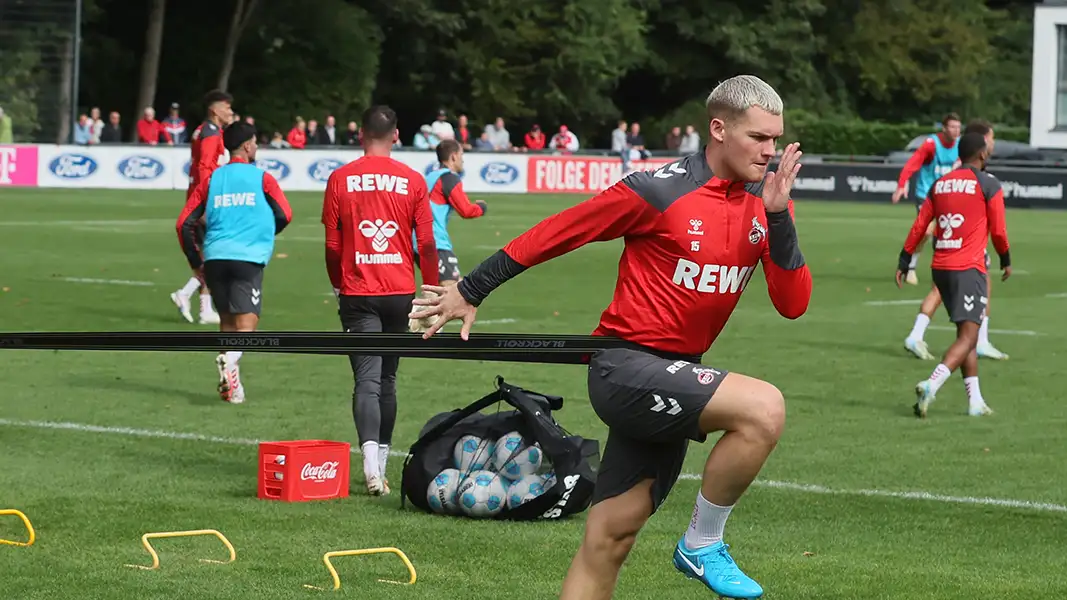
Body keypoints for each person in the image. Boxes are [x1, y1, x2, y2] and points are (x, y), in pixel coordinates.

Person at [410, 75, 812, 600]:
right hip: (625, 369)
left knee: (607, 542)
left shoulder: (767, 200)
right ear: (718, 129)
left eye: (776, 139)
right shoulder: (658, 189)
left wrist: (779, 217)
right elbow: (558, 232)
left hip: (677, 376)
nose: (770, 151)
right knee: (764, 408)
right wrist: (472, 288)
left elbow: (793, 303)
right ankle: (703, 543)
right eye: (758, 137)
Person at [321, 105, 440, 496]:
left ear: (360, 135)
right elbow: (425, 243)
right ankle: (382, 465)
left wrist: (338, 284)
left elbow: (333, 244)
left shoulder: (340, 178)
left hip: (358, 291)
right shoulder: (412, 180)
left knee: (366, 381)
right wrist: (433, 291)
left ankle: (371, 468)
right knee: (388, 378)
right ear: (396, 135)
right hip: (400, 291)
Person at [896, 131, 1011, 418]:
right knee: (969, 336)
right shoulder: (988, 184)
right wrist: (1006, 258)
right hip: (968, 268)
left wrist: (905, 259)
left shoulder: (940, 184)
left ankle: (975, 402)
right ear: (982, 154)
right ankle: (931, 384)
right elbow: (998, 230)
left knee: (965, 334)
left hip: (941, 267)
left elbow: (921, 225)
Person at [176, 121, 293, 404]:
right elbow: (285, 214)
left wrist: (195, 260)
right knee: (247, 326)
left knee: (227, 322)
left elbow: (184, 223)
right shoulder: (262, 178)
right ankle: (229, 363)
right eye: (254, 142)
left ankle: (233, 387)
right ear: (247, 145)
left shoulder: (212, 180)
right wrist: (261, 233)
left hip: (215, 257)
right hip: (247, 257)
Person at [408, 138, 488, 333]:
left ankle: (421, 321)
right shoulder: (449, 178)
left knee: (435, 287)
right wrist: (481, 208)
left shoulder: (429, 178)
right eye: (461, 156)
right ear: (453, 156)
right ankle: (412, 318)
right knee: (453, 286)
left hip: (415, 240)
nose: (462, 161)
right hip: (434, 241)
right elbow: (466, 210)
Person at [170, 90, 235, 326]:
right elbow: (205, 167)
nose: (230, 112)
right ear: (215, 110)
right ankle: (185, 293)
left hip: (198, 200)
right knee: (217, 257)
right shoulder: (210, 133)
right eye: (226, 108)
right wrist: (208, 203)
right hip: (205, 202)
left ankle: (205, 309)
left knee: (211, 255)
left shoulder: (204, 130)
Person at [891, 113, 962, 285]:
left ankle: (944, 270)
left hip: (948, 196)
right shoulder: (932, 144)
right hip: (927, 195)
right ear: (944, 128)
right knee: (927, 231)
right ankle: (911, 267)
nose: (956, 131)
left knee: (945, 236)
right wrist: (902, 184)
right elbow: (913, 163)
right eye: (952, 127)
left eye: (958, 127)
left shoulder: (961, 145)